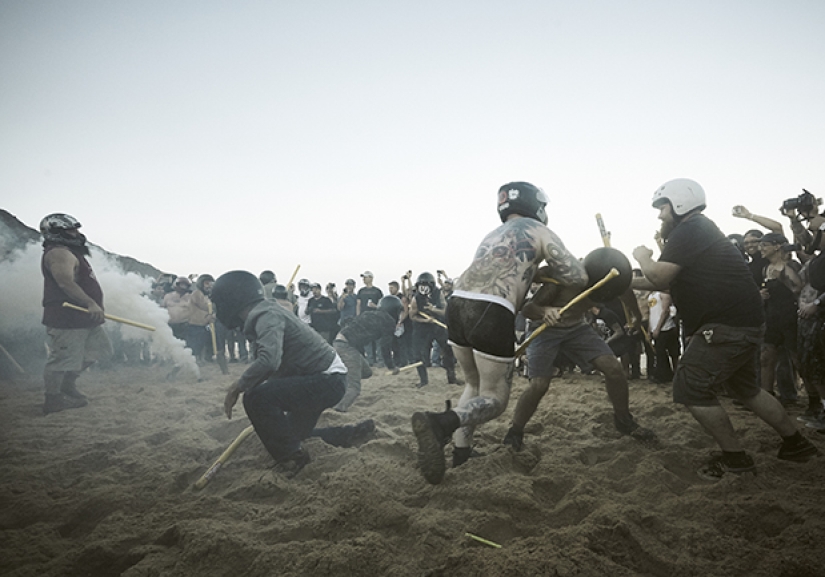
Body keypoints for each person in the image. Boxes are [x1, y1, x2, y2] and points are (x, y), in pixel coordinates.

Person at [412, 182, 627, 484]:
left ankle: (461, 453)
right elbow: (578, 276)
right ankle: (441, 424)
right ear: (536, 206)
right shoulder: (538, 230)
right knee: (495, 399)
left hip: (457, 303)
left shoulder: (491, 235)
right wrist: (543, 272)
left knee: (473, 384)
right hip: (492, 307)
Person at [632, 178, 817, 480]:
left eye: (662, 208)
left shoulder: (689, 229)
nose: (660, 215)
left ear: (679, 204)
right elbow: (665, 280)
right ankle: (797, 445)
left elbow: (660, 278)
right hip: (742, 323)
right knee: (746, 390)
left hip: (725, 327)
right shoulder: (700, 231)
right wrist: (625, 281)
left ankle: (735, 460)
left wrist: (642, 256)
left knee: (689, 388)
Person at [214, 271, 375, 476]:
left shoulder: (266, 316)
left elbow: (269, 361)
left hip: (326, 381)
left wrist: (238, 386)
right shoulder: (267, 313)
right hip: (327, 379)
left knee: (255, 398)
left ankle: (292, 459)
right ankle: (350, 434)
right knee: (293, 435)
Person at [502, 248, 654, 455]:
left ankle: (623, 420)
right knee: (539, 385)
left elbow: (625, 292)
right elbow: (528, 309)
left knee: (614, 369)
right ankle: (515, 430)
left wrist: (636, 317)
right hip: (545, 330)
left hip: (577, 328)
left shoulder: (611, 281)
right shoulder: (564, 280)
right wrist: (545, 311)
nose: (603, 296)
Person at [40, 213, 113, 414]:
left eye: (76, 229)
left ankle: (67, 384)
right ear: (56, 233)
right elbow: (65, 282)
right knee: (61, 359)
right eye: (71, 230)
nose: (76, 234)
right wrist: (89, 302)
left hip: (84, 317)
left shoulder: (70, 252)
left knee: (99, 350)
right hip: (68, 317)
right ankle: (53, 399)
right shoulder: (58, 253)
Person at [332, 295, 403, 412]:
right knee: (354, 388)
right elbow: (385, 347)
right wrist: (391, 367)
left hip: (340, 342)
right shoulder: (389, 321)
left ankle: (344, 379)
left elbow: (347, 321)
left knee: (367, 372)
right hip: (347, 347)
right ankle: (339, 408)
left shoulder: (370, 313)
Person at [409, 271, 459, 387]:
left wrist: (433, 309)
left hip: (438, 325)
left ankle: (452, 378)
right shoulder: (415, 299)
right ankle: (423, 381)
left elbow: (445, 311)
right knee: (418, 354)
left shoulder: (438, 294)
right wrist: (425, 321)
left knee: (448, 349)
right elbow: (412, 316)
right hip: (421, 328)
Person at [356, 271, 384, 365]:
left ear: (371, 278)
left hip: (375, 318)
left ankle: (380, 360)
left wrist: (375, 306)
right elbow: (358, 304)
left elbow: (381, 305)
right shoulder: (361, 291)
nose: (364, 279)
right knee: (367, 340)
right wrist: (358, 317)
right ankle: (370, 360)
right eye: (363, 277)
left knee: (378, 339)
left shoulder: (377, 291)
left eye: (365, 277)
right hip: (364, 318)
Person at [188, 274, 215, 361]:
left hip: (204, 323)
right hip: (196, 323)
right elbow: (204, 306)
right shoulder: (197, 293)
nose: (209, 286)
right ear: (201, 284)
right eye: (207, 283)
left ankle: (204, 358)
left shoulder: (207, 296)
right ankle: (197, 359)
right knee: (197, 343)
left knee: (205, 342)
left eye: (211, 283)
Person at [163, 277, 192, 341]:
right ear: (176, 284)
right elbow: (162, 308)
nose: (183, 287)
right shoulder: (168, 296)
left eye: (185, 285)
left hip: (183, 327)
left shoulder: (191, 298)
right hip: (169, 325)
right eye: (182, 285)